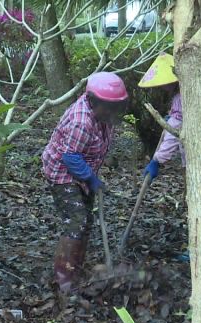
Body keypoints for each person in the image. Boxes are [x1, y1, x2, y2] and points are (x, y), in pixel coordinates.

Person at [42, 72, 129, 293]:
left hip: (83, 171)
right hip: (62, 172)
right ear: (93, 101)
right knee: (76, 221)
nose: (112, 112)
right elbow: (70, 156)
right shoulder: (82, 121)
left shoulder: (103, 117)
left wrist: (90, 178)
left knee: (87, 220)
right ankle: (63, 277)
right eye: (108, 106)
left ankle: (77, 267)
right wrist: (91, 179)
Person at [139, 52, 183, 184]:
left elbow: (174, 131)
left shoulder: (182, 97)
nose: (162, 87)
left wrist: (157, 160)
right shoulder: (180, 94)